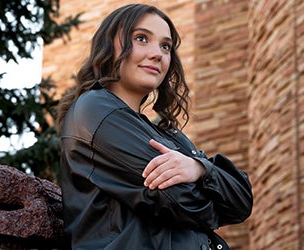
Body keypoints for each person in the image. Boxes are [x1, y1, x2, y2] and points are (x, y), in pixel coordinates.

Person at [57, 3, 253, 250]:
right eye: (141, 38)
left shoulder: (168, 134)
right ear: (109, 46)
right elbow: (180, 200)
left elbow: (242, 201)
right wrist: (213, 193)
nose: (157, 54)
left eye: (165, 46)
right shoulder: (95, 111)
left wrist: (199, 169)